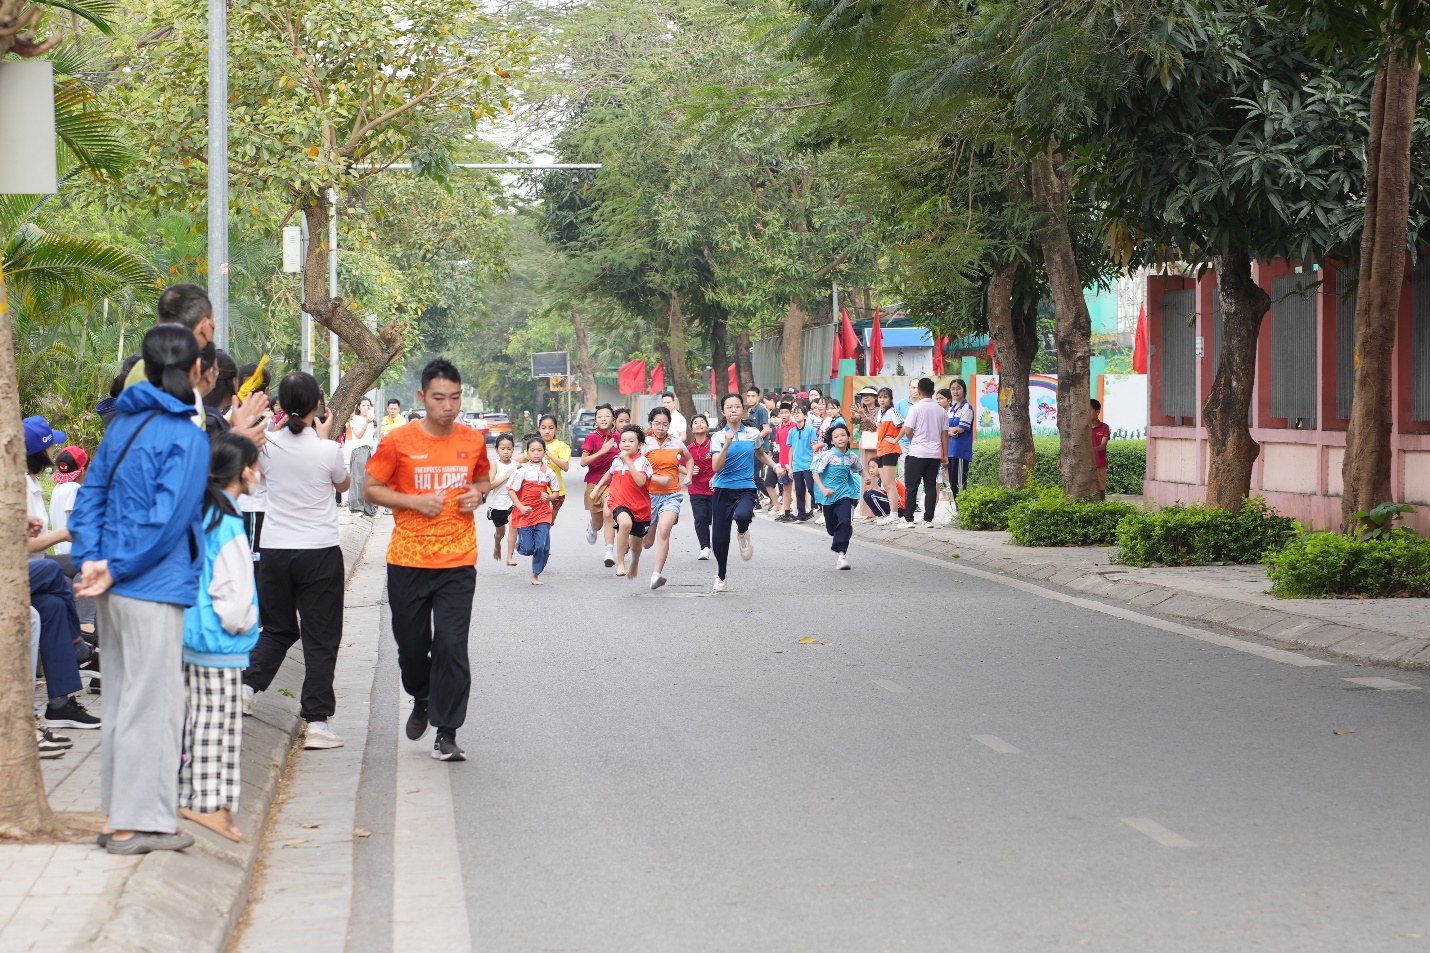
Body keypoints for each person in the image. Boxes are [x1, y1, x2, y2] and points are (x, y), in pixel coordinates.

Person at [70, 323, 211, 855]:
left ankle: (132, 818)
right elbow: (168, 519)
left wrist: (91, 561)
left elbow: (91, 498)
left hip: (113, 580)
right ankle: (133, 825)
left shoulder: (122, 426)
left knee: (127, 701)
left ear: (146, 370)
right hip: (149, 583)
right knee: (151, 705)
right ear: (195, 370)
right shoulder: (185, 435)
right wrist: (115, 566)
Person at [363, 359, 490, 763]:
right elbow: (370, 488)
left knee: (452, 646)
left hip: (457, 558)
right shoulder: (398, 441)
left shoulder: (472, 439)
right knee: (411, 649)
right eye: (439, 398)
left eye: (455, 397)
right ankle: (421, 695)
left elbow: (483, 478)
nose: (448, 406)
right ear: (422, 397)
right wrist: (413, 501)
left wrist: (479, 494)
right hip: (408, 559)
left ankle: (448, 732)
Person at [241, 372, 350, 750]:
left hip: (274, 550)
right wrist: (324, 439)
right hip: (319, 551)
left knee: (277, 629)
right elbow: (343, 484)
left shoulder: (266, 445)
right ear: (318, 406)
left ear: (281, 407)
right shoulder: (328, 450)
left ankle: (246, 688)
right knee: (321, 638)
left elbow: (256, 477)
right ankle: (317, 724)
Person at [179, 432, 262, 843]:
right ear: (243, 472)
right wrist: (246, 625)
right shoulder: (228, 522)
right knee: (219, 727)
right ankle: (209, 806)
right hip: (219, 641)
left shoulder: (204, 512)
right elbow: (232, 595)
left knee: (198, 722)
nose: (259, 473)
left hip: (194, 635)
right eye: (256, 464)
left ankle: (210, 804)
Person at [709, 393, 780, 593]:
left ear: (743, 410)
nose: (734, 410)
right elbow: (716, 467)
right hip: (723, 489)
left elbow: (760, 453)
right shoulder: (717, 437)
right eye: (729, 407)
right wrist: (727, 445)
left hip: (746, 487)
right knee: (720, 538)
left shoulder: (752, 433)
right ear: (723, 411)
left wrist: (775, 466)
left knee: (743, 515)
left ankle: (742, 532)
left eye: (737, 406)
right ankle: (721, 575)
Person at [643, 406, 692, 590]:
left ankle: (656, 575)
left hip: (671, 495)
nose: (661, 428)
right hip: (648, 497)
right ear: (651, 423)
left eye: (665, 424)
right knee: (647, 543)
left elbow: (689, 458)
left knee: (664, 531)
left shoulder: (676, 442)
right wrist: (656, 479)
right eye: (657, 424)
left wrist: (688, 476)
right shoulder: (645, 443)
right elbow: (638, 469)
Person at [594, 425, 652, 581]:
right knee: (625, 524)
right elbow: (609, 473)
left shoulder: (643, 461)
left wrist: (628, 461)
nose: (626, 444)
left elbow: (640, 481)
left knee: (636, 545)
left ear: (639, 445)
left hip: (640, 507)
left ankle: (635, 562)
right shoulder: (617, 461)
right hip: (618, 501)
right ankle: (620, 563)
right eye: (623, 440)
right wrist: (597, 489)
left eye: (631, 441)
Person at [898, 377, 948, 528]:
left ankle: (908, 519)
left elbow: (907, 430)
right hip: (934, 454)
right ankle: (928, 520)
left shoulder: (915, 408)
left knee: (912, 485)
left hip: (917, 452)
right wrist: (944, 455)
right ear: (933, 392)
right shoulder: (941, 411)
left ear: (919, 392)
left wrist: (913, 440)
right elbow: (944, 435)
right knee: (931, 486)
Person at [811, 423, 862, 570]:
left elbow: (859, 468)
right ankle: (838, 540)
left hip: (845, 494)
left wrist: (865, 477)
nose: (840, 438)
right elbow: (815, 473)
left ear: (848, 437)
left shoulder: (852, 456)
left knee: (845, 522)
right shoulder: (828, 455)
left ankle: (842, 556)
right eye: (836, 436)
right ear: (831, 441)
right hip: (828, 496)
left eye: (843, 435)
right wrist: (823, 489)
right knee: (831, 529)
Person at [508, 436, 558, 586]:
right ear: (528, 452)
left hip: (543, 512)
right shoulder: (522, 471)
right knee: (529, 549)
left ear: (544, 452)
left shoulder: (549, 472)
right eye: (533, 450)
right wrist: (521, 507)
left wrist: (549, 497)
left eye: (539, 450)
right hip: (525, 513)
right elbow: (511, 490)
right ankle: (521, 545)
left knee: (542, 546)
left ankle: (535, 574)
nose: (536, 453)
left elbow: (556, 492)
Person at [580, 404, 619, 564]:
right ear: (596, 420)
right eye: (600, 416)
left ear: (613, 420)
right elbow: (583, 462)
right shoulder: (592, 437)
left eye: (607, 416)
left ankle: (609, 552)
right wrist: (602, 451)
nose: (603, 419)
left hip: (614, 483)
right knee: (598, 523)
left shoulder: (618, 437)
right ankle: (592, 526)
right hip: (594, 483)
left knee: (608, 514)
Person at [873, 387, 904, 526]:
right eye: (880, 397)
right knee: (885, 483)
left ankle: (894, 514)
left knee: (890, 483)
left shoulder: (892, 412)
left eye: (885, 397)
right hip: (881, 449)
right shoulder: (880, 412)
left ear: (890, 399)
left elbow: (904, 426)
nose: (882, 400)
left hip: (890, 449)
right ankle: (892, 513)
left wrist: (895, 440)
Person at [686, 413, 714, 561]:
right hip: (696, 489)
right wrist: (689, 471)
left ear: (707, 427)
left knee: (712, 519)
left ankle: (717, 543)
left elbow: (723, 463)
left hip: (714, 488)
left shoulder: (714, 445)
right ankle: (704, 547)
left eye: (702, 422)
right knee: (700, 517)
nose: (698, 424)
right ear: (691, 429)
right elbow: (678, 465)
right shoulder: (688, 449)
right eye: (695, 422)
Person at [486, 434, 518, 562]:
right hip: (498, 506)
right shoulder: (495, 464)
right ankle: (497, 543)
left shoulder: (516, 464)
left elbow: (531, 460)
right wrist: (506, 475)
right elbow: (489, 485)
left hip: (513, 502)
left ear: (513, 449)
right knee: (500, 534)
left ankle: (510, 556)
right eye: (503, 448)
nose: (506, 452)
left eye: (509, 448)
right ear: (497, 450)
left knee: (514, 526)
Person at [784, 405, 818, 522]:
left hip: (808, 464)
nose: (797, 415)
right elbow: (791, 449)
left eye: (799, 413)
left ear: (805, 415)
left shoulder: (810, 430)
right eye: (795, 413)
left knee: (811, 488)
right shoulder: (792, 431)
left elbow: (814, 446)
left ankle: (822, 507)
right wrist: (790, 467)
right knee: (799, 491)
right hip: (797, 465)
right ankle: (801, 516)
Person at [537, 414, 571, 523]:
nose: (547, 431)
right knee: (540, 523)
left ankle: (537, 540)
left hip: (556, 492)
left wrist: (549, 454)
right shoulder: (535, 445)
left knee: (548, 523)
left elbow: (565, 467)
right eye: (543, 428)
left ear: (556, 429)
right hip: (538, 491)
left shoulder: (561, 446)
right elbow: (524, 457)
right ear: (539, 429)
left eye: (551, 428)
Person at [946, 380, 975, 499]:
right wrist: (949, 431)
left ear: (964, 390)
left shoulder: (967, 407)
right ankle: (959, 512)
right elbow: (944, 429)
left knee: (960, 484)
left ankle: (962, 512)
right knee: (952, 484)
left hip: (960, 452)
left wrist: (948, 430)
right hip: (950, 451)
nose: (955, 391)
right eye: (952, 389)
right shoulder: (951, 409)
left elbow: (960, 430)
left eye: (958, 388)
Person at [1092, 398, 1112, 502]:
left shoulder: (1104, 427)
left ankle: (1102, 509)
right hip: (1084, 464)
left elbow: (1103, 445)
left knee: (1101, 490)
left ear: (1097, 412)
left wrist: (1090, 450)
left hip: (1100, 463)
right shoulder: (1082, 428)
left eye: (1089, 410)